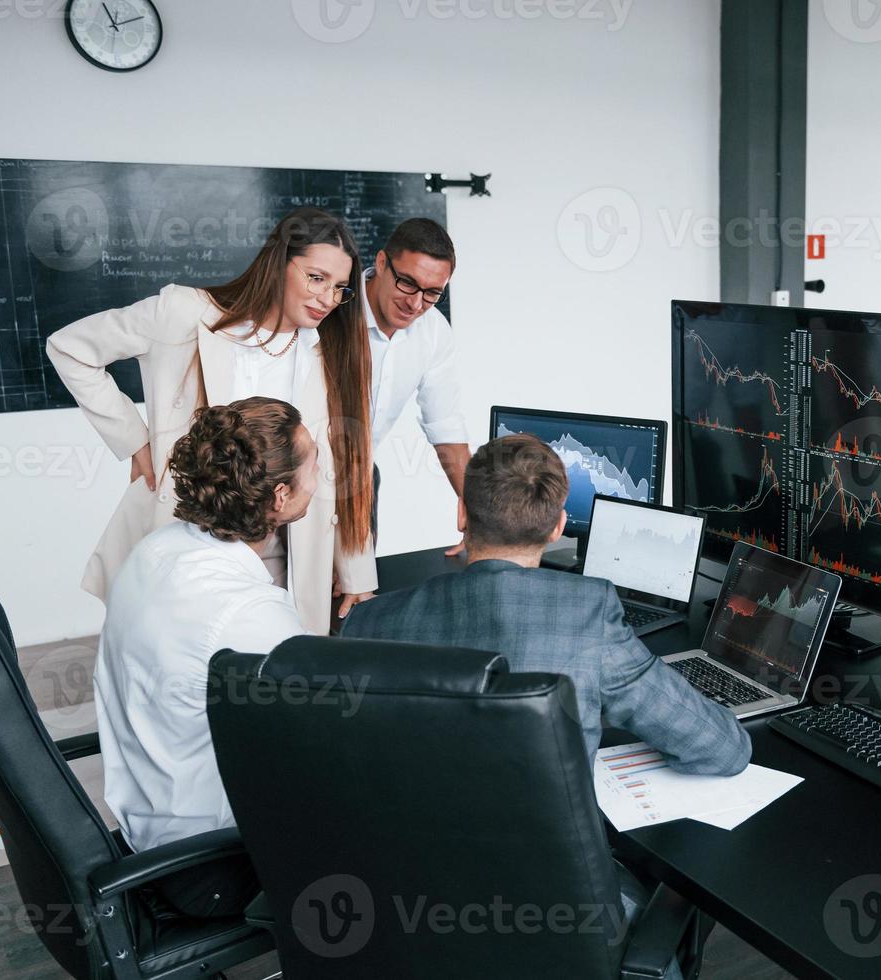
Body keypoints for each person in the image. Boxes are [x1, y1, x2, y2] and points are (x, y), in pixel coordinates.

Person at [47, 207, 376, 633]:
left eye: (340, 289)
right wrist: (136, 441)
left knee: (264, 664)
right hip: (183, 535)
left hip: (281, 546)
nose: (327, 300)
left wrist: (356, 571)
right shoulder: (184, 312)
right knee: (177, 657)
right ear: (278, 262)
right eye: (316, 278)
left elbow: (342, 465)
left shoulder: (327, 350)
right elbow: (70, 348)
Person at [342, 433, 751, 775]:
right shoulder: (590, 614)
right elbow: (722, 750)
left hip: (407, 864)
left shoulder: (368, 621)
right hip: (548, 868)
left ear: (461, 513)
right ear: (557, 528)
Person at [95, 398, 315, 917]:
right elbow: (315, 739)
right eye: (314, 465)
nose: (320, 476)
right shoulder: (248, 611)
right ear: (279, 497)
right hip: (209, 864)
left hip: (145, 829)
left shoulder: (154, 551)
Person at [361, 218, 469, 553]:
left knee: (355, 597)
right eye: (407, 283)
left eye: (433, 292)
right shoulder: (328, 309)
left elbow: (445, 426)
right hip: (293, 478)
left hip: (361, 479)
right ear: (381, 263)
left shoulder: (434, 331)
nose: (415, 303)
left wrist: (479, 515)